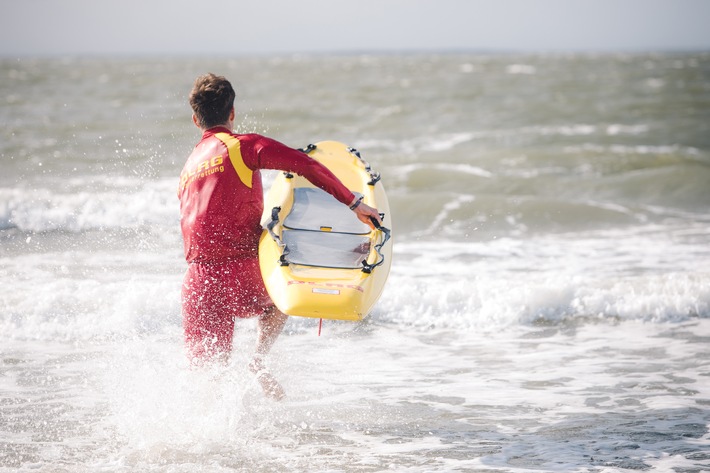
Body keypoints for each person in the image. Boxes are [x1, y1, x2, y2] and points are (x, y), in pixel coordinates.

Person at [178, 73, 381, 400]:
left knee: (205, 384)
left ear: (194, 119)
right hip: (242, 272)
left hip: (199, 283)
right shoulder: (241, 146)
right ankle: (257, 361)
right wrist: (354, 202)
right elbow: (304, 164)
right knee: (284, 289)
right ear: (232, 113)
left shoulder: (190, 166)